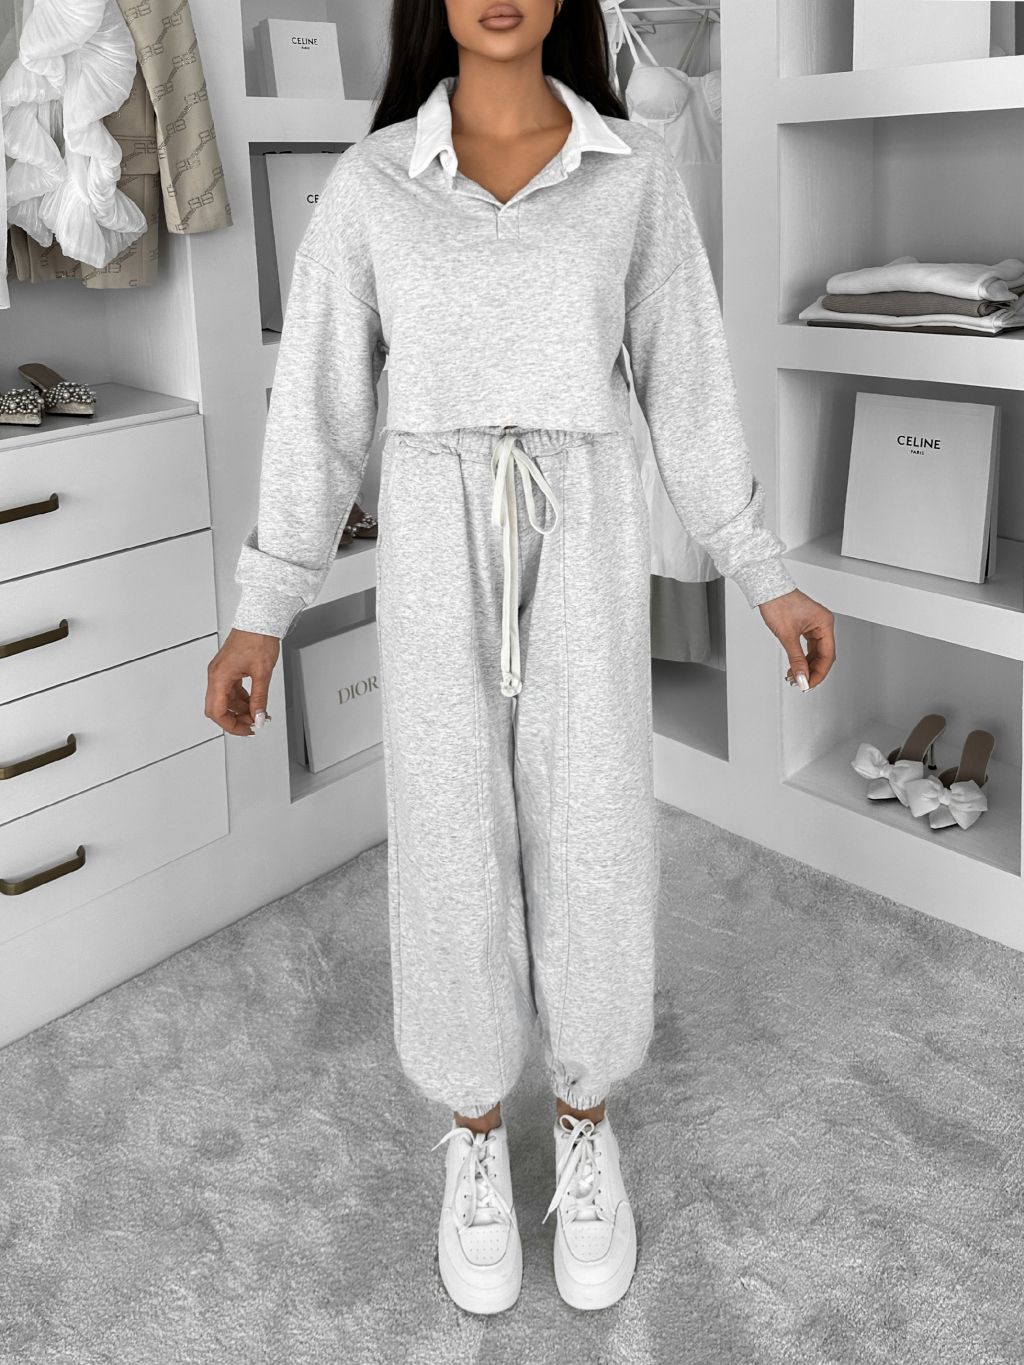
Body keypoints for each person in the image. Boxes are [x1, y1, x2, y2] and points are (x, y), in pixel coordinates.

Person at [204, 0, 836, 1318]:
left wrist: (762, 570)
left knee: (592, 818)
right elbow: (318, 406)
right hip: (437, 535)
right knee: (450, 825)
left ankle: (588, 1117)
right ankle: (477, 1133)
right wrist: (264, 605)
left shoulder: (632, 174)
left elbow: (688, 383)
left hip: (585, 525)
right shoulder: (374, 184)